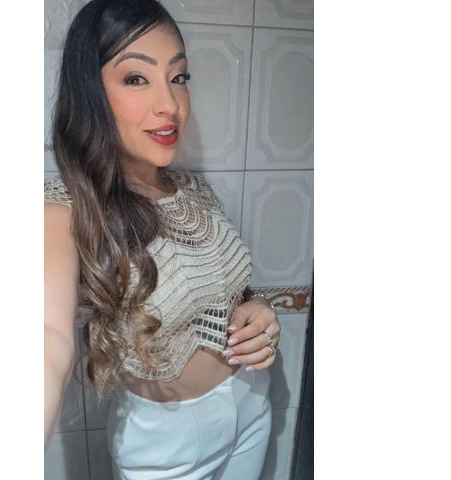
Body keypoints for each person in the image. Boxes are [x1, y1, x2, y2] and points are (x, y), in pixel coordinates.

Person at [44, 1, 282, 478]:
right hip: (166, 439)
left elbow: (225, 292)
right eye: (136, 78)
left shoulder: (191, 189)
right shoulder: (65, 208)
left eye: (178, 77)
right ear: (91, 92)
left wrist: (258, 312)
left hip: (251, 401)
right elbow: (46, 335)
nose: (170, 104)